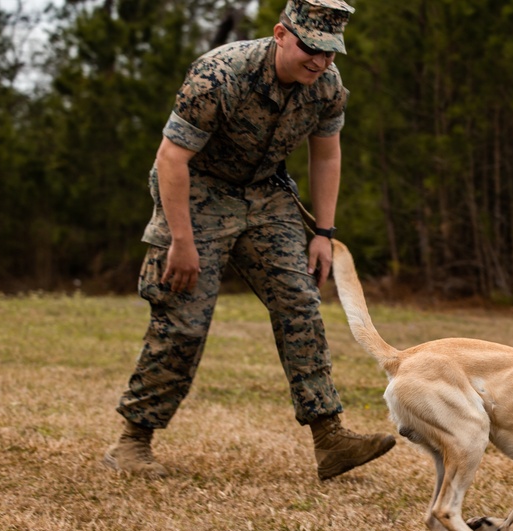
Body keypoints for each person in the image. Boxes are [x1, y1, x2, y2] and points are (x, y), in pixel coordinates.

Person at [104, 0, 395, 480]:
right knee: (184, 320)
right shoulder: (220, 75)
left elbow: (325, 157)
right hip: (198, 190)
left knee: (300, 304)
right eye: (311, 48)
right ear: (281, 34)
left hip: (266, 195)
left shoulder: (327, 88)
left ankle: (330, 438)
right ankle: (133, 442)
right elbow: (170, 160)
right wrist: (181, 241)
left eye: (331, 52)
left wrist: (323, 232)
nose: (321, 61)